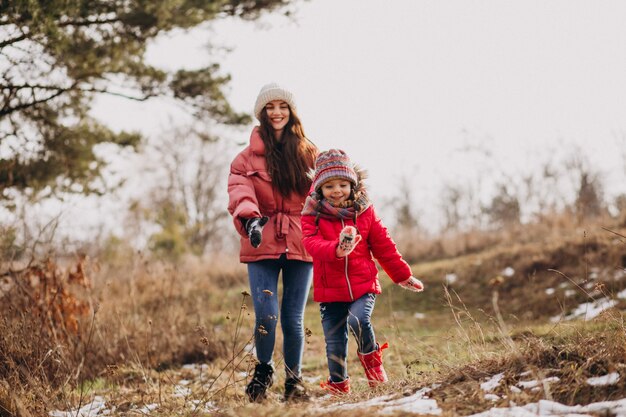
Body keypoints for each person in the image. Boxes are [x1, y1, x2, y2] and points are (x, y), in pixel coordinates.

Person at [301, 149, 424, 394]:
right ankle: (338, 386)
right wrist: (337, 249)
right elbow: (310, 244)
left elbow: (383, 245)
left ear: (352, 184)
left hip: (363, 284)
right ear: (319, 189)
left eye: (343, 184)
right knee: (334, 342)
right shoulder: (312, 214)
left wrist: (402, 275)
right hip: (329, 290)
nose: (337, 190)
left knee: (359, 320)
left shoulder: (364, 211)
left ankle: (374, 367)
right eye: (329, 186)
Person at [227, 83, 317, 402]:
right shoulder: (244, 159)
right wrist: (251, 218)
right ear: (262, 113)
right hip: (260, 239)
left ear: (291, 111)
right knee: (266, 315)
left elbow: (328, 189)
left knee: (293, 318)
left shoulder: (309, 154)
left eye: (282, 106)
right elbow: (240, 191)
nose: (276, 112)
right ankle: (263, 371)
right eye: (270, 107)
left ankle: (294, 382)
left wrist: (352, 198)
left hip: (300, 243)